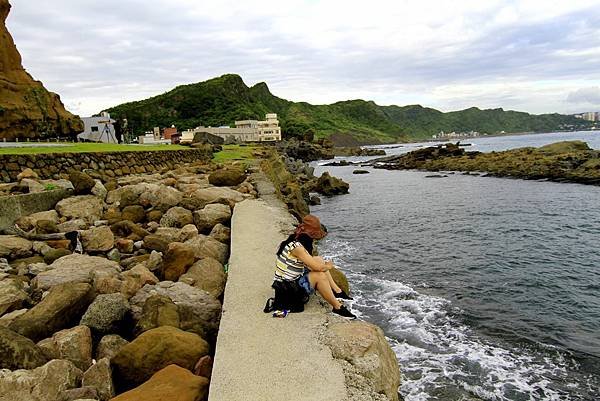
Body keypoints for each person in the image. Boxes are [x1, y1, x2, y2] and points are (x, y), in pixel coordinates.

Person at [273, 214, 356, 319]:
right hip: (288, 291)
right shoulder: (297, 247)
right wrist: (329, 266)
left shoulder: (294, 239)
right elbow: (318, 268)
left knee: (318, 259)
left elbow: (312, 262)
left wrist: (322, 264)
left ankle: (337, 291)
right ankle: (337, 307)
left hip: (286, 284)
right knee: (319, 276)